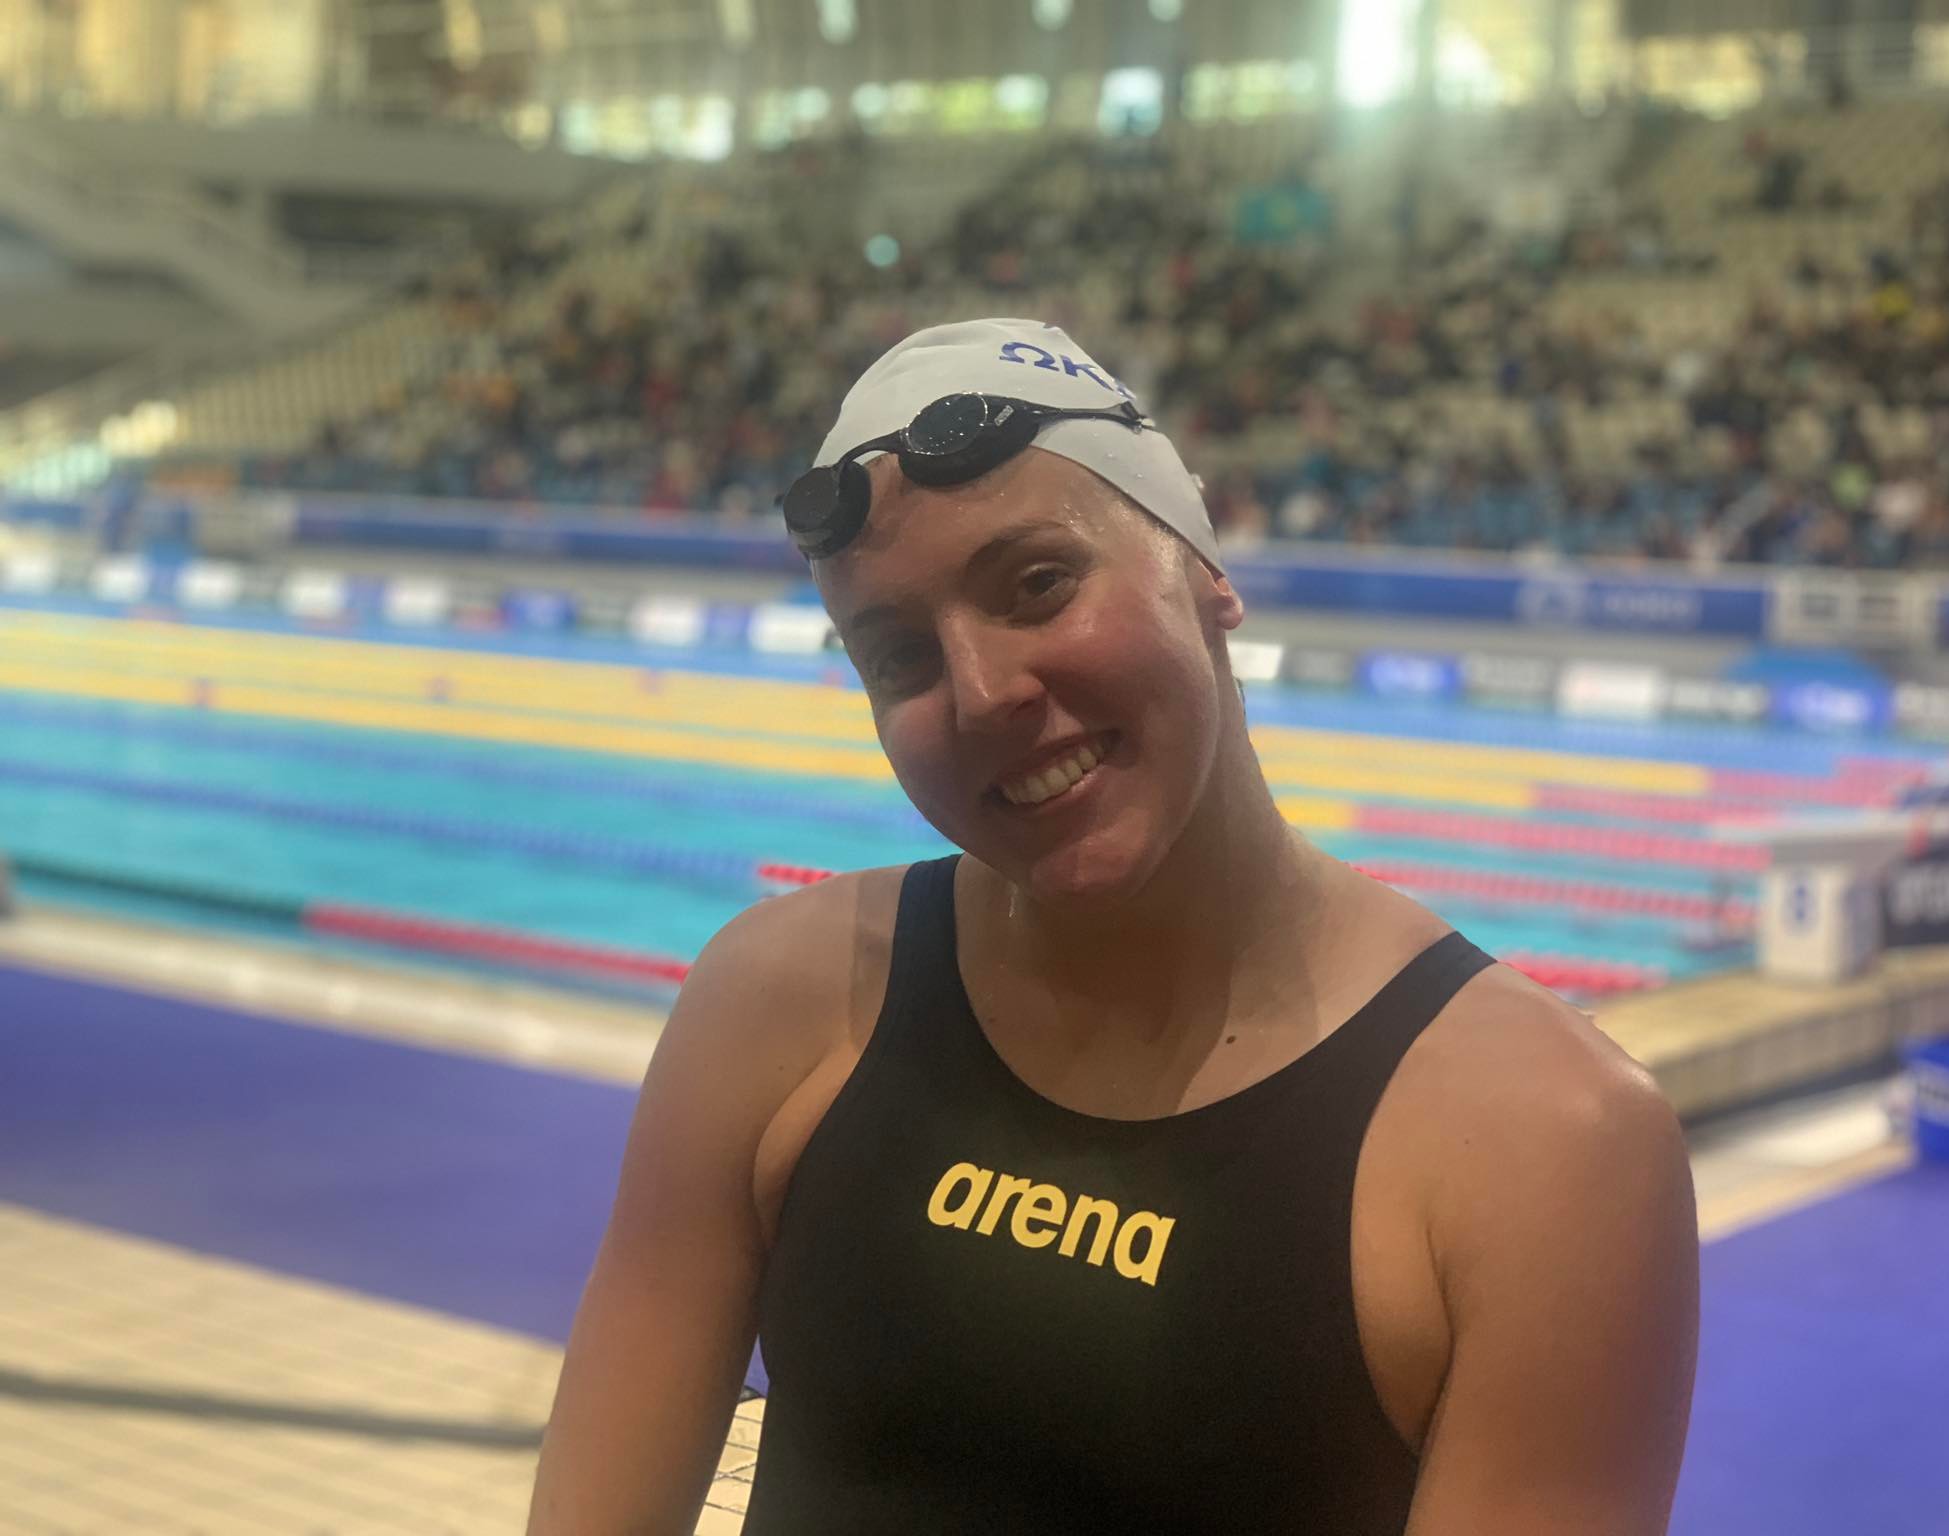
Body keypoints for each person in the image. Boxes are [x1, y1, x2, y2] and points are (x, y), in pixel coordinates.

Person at [529, 320, 1699, 1534]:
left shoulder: (1545, 1146)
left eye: (1037, 584)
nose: (982, 693)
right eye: (899, 657)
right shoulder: (774, 1004)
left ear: (1204, 570)